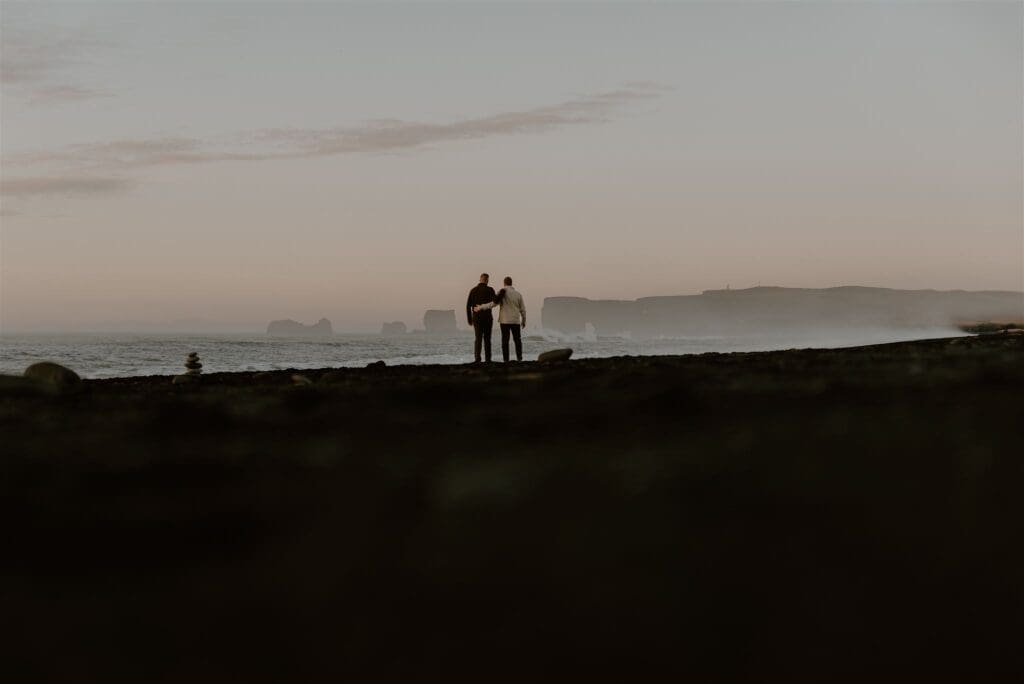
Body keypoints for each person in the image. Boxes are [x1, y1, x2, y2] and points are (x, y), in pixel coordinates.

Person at [473, 276, 526, 362]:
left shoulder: (502, 293)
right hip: (515, 320)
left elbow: (493, 304)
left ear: (504, 283)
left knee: (505, 340)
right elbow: (523, 309)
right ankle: (519, 358)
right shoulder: (518, 294)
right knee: (517, 340)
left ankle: (506, 360)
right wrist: (524, 320)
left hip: (504, 320)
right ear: (511, 283)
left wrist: (481, 307)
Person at [466, 273, 497, 363]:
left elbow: (468, 306)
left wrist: (469, 319)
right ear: (487, 280)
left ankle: (477, 358)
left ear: (480, 279)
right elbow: (495, 301)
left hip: (477, 318)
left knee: (478, 339)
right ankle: (488, 359)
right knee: (487, 339)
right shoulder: (490, 290)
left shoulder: (473, 290)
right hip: (487, 318)